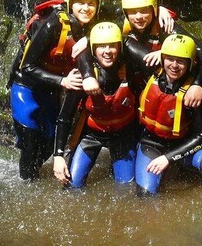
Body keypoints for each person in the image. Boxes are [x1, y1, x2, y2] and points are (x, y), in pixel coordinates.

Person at [9, 0, 100, 180]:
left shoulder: (93, 24)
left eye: (91, 4)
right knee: (30, 141)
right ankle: (27, 184)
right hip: (27, 86)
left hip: (51, 88)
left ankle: (33, 175)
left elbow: (123, 16)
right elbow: (28, 66)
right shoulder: (53, 24)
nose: (86, 8)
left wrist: (159, 10)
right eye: (80, 3)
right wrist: (62, 82)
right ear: (70, 4)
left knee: (50, 143)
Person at [135, 34, 202, 196]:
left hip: (186, 145)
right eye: (170, 59)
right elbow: (122, 45)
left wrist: (168, 158)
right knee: (145, 196)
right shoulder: (150, 72)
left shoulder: (196, 93)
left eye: (181, 61)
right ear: (162, 58)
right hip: (152, 144)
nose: (174, 66)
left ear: (191, 64)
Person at [52, 22, 138, 188]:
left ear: (119, 48)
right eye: (101, 47)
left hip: (123, 135)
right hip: (92, 135)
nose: (107, 51)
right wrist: (58, 156)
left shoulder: (131, 69)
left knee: (125, 188)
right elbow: (64, 117)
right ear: (93, 50)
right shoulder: (83, 77)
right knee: (72, 188)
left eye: (112, 46)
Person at [119, 0, 202, 106]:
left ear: (153, 10)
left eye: (144, 11)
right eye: (133, 12)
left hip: (167, 81)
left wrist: (198, 85)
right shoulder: (121, 22)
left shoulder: (164, 25)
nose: (138, 17)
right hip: (139, 84)